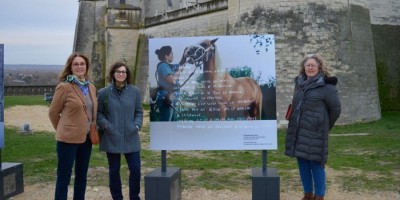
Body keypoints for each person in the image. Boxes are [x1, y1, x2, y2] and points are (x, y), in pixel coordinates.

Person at [285, 54, 341, 200]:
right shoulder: (299, 83)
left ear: (319, 67)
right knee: (302, 163)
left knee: (316, 165)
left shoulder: (327, 86)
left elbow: (335, 110)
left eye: (313, 65)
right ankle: (308, 194)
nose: (310, 68)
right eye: (307, 65)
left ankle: (320, 196)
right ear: (304, 67)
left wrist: (324, 127)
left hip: (315, 132)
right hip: (299, 130)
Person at [48, 52, 97, 200]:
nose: (79, 66)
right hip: (67, 140)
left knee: (82, 176)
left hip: (86, 139)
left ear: (86, 66)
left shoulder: (91, 87)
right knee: (64, 178)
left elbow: (91, 111)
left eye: (82, 64)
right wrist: (63, 130)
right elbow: (53, 113)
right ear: (70, 67)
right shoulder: (64, 87)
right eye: (76, 64)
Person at [97, 62, 144, 200]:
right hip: (112, 136)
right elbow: (99, 113)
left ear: (127, 74)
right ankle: (117, 197)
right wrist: (106, 126)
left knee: (136, 170)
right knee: (114, 170)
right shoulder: (103, 93)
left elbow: (139, 112)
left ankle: (134, 197)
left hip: (131, 136)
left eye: (124, 72)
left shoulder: (134, 91)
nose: (121, 74)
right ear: (113, 74)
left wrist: (136, 126)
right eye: (118, 71)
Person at [154, 46, 185, 121]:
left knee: (172, 124)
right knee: (166, 124)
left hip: (171, 99)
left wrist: (185, 55)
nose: (173, 56)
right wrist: (179, 71)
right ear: (166, 56)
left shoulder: (169, 66)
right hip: (166, 99)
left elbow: (180, 64)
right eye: (171, 54)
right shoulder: (163, 66)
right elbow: (172, 81)